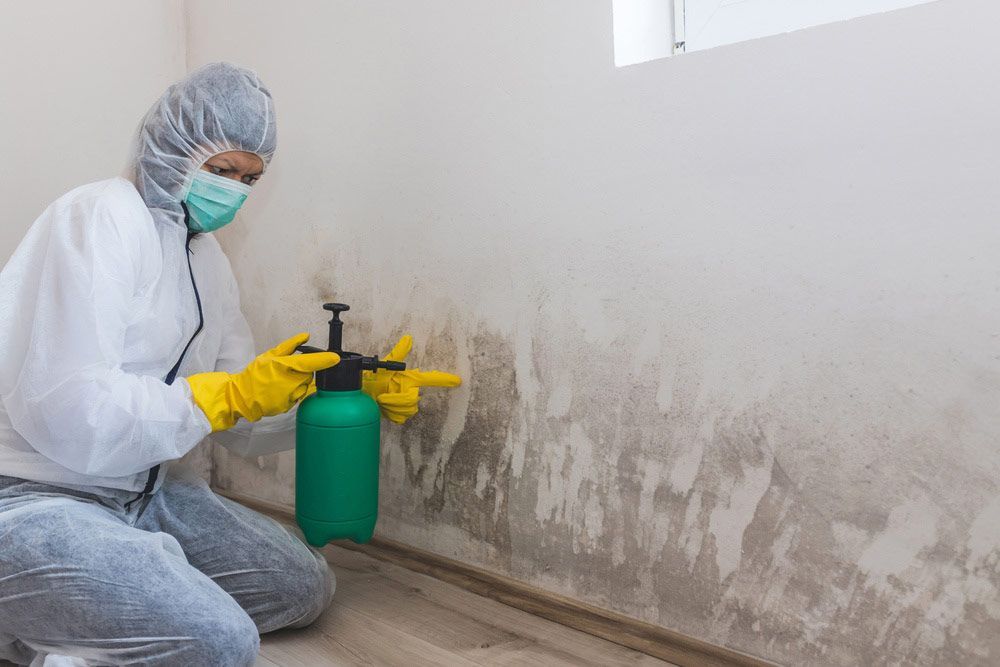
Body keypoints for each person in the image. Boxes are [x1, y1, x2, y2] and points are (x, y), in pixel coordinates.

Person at [0, 63, 461, 667]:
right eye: (221, 171)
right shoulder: (98, 217)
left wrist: (337, 396)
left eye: (251, 177)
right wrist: (219, 397)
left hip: (146, 492)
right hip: (37, 496)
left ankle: (92, 592)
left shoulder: (206, 257)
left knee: (301, 588)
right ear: (170, 148)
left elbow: (241, 419)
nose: (236, 191)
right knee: (218, 643)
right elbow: (69, 410)